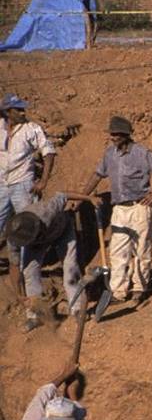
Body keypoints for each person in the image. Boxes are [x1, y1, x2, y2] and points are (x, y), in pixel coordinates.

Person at [80, 115, 152, 305]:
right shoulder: (109, 154)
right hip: (119, 209)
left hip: (140, 207)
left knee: (141, 250)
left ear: (126, 135)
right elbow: (97, 175)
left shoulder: (141, 153)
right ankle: (118, 292)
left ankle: (139, 289)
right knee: (117, 251)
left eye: (116, 134)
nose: (112, 137)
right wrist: (82, 197)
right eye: (111, 134)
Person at [5, 191, 97, 331]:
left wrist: (89, 198)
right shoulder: (14, 238)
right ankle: (35, 316)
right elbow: (14, 266)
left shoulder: (47, 210)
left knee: (70, 267)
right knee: (29, 272)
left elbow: (63, 194)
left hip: (63, 230)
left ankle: (77, 308)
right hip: (37, 244)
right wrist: (19, 295)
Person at [1, 94, 56, 254]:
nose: (23, 113)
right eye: (18, 110)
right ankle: (13, 259)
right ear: (8, 112)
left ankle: (27, 262)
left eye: (23, 109)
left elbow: (48, 152)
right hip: (2, 184)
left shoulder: (32, 128)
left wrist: (43, 181)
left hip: (23, 184)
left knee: (26, 226)